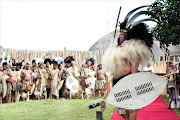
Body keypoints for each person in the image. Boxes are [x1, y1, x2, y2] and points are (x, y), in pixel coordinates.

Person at [103, 8, 154, 120]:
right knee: (122, 110)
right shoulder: (116, 49)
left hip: (128, 81)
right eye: (120, 33)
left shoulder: (132, 49)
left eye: (123, 33)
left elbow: (134, 67)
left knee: (131, 108)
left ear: (128, 35)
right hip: (117, 82)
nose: (120, 35)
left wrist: (133, 83)